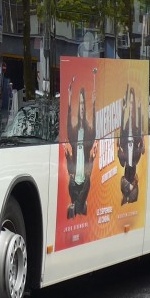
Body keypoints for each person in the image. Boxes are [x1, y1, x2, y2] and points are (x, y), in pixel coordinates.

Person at [63, 71, 97, 218]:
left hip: (84, 182)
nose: (82, 107)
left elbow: (94, 124)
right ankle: (80, 207)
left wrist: (94, 103)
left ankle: (78, 207)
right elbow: (68, 124)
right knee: (76, 207)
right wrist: (70, 97)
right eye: (81, 103)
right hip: (74, 182)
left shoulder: (90, 132)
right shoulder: (74, 132)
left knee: (74, 210)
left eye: (84, 103)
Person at [117, 85, 144, 205]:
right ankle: (128, 193)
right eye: (130, 104)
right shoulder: (125, 126)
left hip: (132, 163)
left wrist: (139, 108)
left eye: (133, 104)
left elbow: (141, 147)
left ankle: (129, 194)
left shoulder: (137, 129)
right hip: (127, 163)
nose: (131, 107)